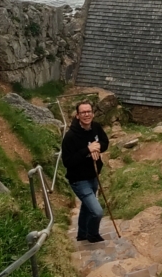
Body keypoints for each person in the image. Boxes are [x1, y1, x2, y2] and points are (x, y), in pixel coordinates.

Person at [62, 101, 109, 242]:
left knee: (87, 207)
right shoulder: (70, 137)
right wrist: (87, 150)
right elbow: (67, 162)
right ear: (77, 116)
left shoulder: (96, 127)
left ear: (93, 113)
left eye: (89, 111)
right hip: (79, 180)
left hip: (93, 176)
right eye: (83, 112)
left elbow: (105, 142)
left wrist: (98, 147)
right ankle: (92, 235)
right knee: (97, 211)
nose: (87, 114)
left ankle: (82, 233)